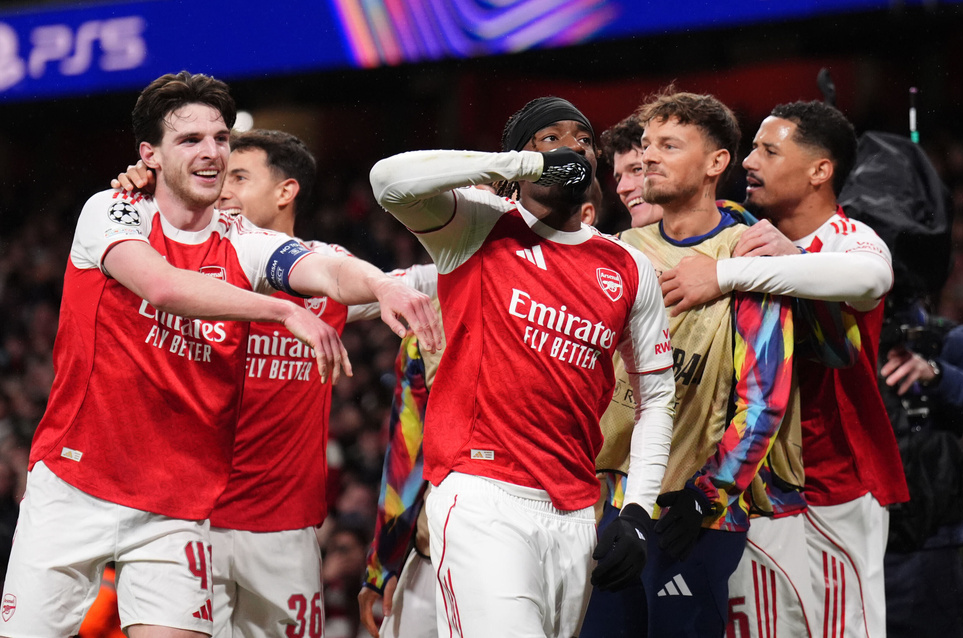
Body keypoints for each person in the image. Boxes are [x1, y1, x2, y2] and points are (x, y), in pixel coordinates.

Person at [0, 71, 437, 637]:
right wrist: (283, 310)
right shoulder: (111, 211)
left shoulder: (242, 239)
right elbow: (162, 287)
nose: (211, 154)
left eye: (220, 138)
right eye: (190, 141)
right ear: (149, 155)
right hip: (74, 490)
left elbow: (322, 265)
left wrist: (381, 285)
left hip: (177, 511)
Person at [370, 96, 676, 638]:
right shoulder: (475, 226)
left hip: (577, 509)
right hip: (482, 495)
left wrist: (638, 513)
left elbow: (657, 400)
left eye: (583, 140)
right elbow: (388, 179)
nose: (573, 148)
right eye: (551, 137)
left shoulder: (628, 268)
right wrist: (522, 165)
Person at [112, 129, 437, 636]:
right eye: (220, 176)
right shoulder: (193, 267)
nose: (222, 189)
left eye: (238, 176)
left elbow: (431, 279)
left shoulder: (328, 271)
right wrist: (136, 195)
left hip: (285, 530)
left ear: (286, 191)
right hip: (191, 521)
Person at [660, 100, 908, 638]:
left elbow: (871, 279)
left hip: (837, 485)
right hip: (750, 488)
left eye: (769, 151)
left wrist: (732, 272)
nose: (750, 161)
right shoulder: (738, 228)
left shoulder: (849, 239)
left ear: (821, 170)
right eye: (751, 148)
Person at [580, 91, 794, 638]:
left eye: (669, 146)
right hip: (611, 507)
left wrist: (706, 497)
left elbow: (764, 398)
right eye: (647, 145)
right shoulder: (618, 251)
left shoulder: (750, 255)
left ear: (716, 163)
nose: (648, 157)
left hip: (697, 513)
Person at [356, 183, 604, 638]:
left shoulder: (589, 315)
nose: (461, 222)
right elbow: (409, 451)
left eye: (478, 210)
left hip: (551, 543)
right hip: (434, 554)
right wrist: (384, 562)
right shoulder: (426, 310)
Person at [880, 304, 963, 638]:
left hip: (929, 546)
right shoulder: (835, 336)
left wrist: (939, 375)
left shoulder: (949, 340)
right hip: (847, 537)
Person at [601, 115, 662, 228]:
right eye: (619, 179)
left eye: (637, 169)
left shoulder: (705, 243)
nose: (621, 189)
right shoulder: (618, 244)